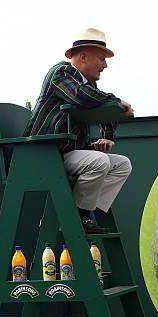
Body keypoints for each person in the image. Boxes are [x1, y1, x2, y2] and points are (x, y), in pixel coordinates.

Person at [24, 28, 134, 234]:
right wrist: (118, 101)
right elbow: (81, 97)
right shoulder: (61, 72)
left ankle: (80, 212)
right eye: (101, 59)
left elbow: (103, 108)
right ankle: (78, 217)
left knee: (122, 165)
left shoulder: (88, 84)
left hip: (63, 153)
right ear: (83, 57)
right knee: (99, 162)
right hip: (43, 153)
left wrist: (106, 137)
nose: (105, 65)